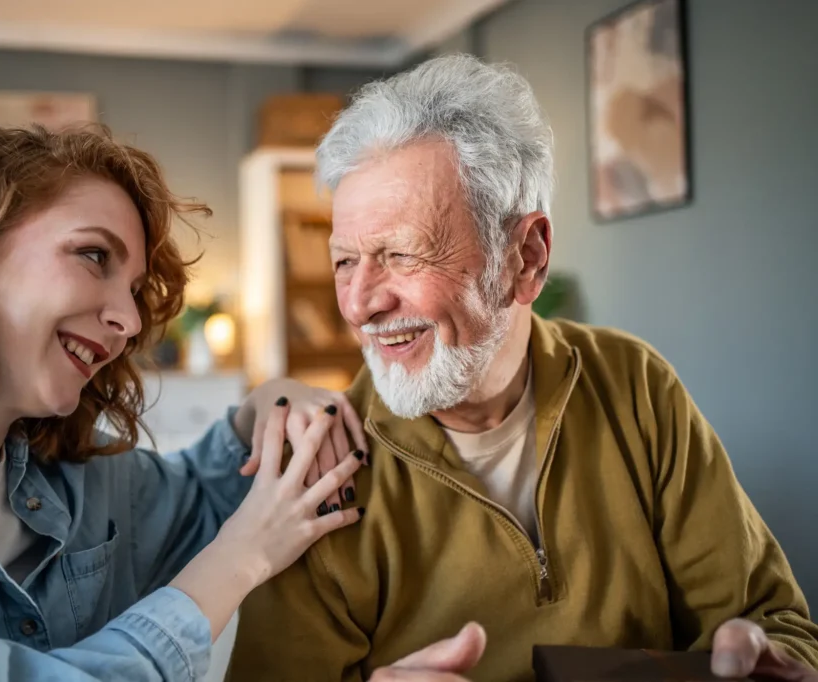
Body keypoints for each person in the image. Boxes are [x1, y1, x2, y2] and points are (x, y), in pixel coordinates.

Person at [225, 54, 818, 681]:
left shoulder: (636, 386)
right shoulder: (322, 472)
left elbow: (775, 621)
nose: (360, 303)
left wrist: (769, 662)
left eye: (400, 254)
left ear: (526, 258)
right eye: (345, 261)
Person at [0, 124, 370, 681]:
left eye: (135, 290)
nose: (129, 321)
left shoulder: (78, 469)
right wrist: (238, 561)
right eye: (94, 256)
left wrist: (264, 405)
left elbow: (199, 496)